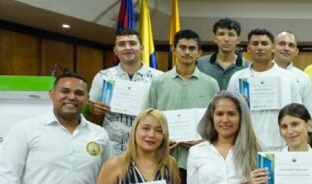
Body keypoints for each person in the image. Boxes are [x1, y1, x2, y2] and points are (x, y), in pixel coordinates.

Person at [144, 29, 220, 174]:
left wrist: (205, 140)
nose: (187, 52)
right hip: (163, 155)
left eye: (192, 48)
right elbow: (148, 117)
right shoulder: (158, 82)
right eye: (182, 47)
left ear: (199, 53)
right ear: (174, 50)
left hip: (201, 156)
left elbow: (216, 119)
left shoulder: (211, 84)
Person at [229, 28, 312, 152]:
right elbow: (232, 113)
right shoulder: (238, 78)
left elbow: (298, 115)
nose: (260, 47)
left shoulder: (288, 78)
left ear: (273, 48)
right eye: (255, 44)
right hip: (247, 147)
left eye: (264, 43)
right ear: (248, 49)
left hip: (281, 147)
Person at [87, 28, 163, 153]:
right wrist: (92, 108)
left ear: (142, 48)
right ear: (115, 50)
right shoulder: (103, 76)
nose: (127, 47)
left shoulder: (159, 78)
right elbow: (87, 106)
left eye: (132, 43)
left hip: (148, 146)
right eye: (122, 44)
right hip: (111, 147)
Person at [273, 31, 312, 119]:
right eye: (282, 44)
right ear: (273, 48)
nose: (286, 48)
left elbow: (308, 111)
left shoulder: (304, 78)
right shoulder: (262, 74)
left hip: (293, 131)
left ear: (296, 52)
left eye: (291, 45)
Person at [197, 18, 247, 90]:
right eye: (221, 34)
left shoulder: (248, 67)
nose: (226, 39)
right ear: (215, 39)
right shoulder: (200, 64)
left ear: (238, 40)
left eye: (231, 34)